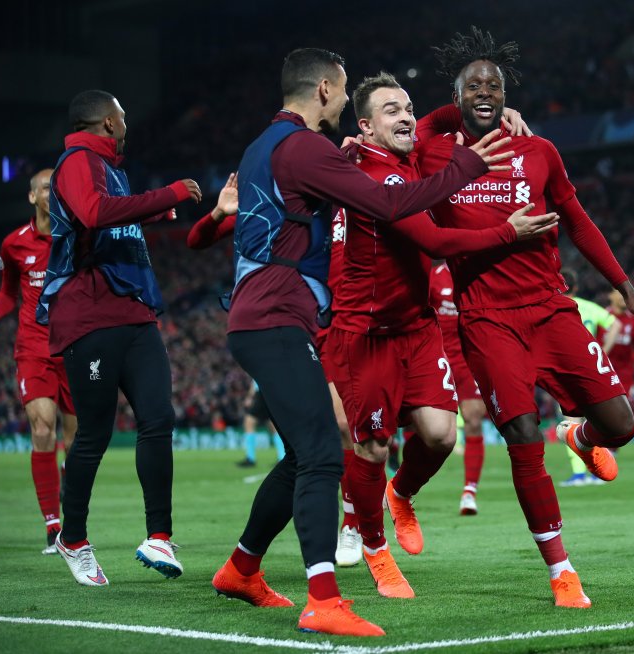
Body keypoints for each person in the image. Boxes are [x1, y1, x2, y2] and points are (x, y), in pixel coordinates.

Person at [209, 48, 513, 637]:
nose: (346, 102)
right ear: (325, 90)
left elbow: (428, 127)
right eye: (346, 92)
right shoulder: (308, 149)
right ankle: (326, 595)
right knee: (328, 453)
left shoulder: (268, 146)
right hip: (297, 318)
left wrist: (492, 112)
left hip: (292, 313)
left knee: (311, 454)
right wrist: (470, 169)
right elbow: (390, 203)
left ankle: (241, 569)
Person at [416, 27, 634, 609]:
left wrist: (626, 289)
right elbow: (420, 127)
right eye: (473, 86)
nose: (485, 92)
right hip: (487, 318)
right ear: (456, 96)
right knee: (523, 437)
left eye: (494, 86)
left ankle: (579, 433)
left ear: (508, 95)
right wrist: (457, 108)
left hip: (551, 308)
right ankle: (561, 571)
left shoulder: (539, 151)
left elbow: (579, 222)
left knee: (621, 425)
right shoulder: (438, 154)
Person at [326, 72, 557, 600]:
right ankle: (375, 548)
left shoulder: (410, 149)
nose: (407, 117)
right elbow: (432, 239)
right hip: (369, 331)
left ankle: (400, 492)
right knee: (371, 445)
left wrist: (501, 110)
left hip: (417, 324)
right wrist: (508, 231)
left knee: (440, 436)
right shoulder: (368, 175)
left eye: (408, 108)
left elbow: (446, 114)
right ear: (365, 127)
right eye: (392, 110)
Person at [38, 89, 202, 586]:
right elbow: (92, 213)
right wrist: (168, 195)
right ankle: (73, 539)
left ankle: (159, 536)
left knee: (158, 418)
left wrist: (151, 214)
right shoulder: (77, 161)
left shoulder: (111, 168)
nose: (127, 123)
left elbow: (109, 220)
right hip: (89, 314)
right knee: (94, 434)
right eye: (123, 116)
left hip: (134, 311)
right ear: (109, 122)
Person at [186, 169, 364, 569]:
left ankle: (249, 564)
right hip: (287, 331)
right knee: (322, 443)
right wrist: (218, 214)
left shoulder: (336, 202)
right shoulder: (265, 211)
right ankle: (330, 553)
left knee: (317, 447)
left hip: (332, 324)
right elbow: (196, 240)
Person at [0, 169, 78, 555]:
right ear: (32, 197)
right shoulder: (13, 244)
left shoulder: (78, 236)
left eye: (58, 187)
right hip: (33, 348)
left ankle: (69, 487)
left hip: (75, 348)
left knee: (76, 441)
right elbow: (7, 292)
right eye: (47, 188)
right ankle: (53, 526)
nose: (53, 193)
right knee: (43, 428)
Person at [429, 262, 487, 514]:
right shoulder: (434, 277)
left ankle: (469, 492)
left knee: (473, 418)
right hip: (437, 354)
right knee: (425, 427)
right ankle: (402, 487)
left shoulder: (475, 272)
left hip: (467, 358)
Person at [558, 268, 615, 487]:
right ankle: (597, 470)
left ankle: (579, 473)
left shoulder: (556, 306)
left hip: (567, 369)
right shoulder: (589, 307)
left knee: (571, 421)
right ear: (576, 287)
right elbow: (615, 325)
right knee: (594, 421)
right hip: (592, 369)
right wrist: (602, 352)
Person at [607, 288, 634, 397]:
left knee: (626, 405)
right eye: (620, 292)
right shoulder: (602, 316)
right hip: (603, 371)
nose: (623, 295)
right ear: (610, 295)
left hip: (625, 374)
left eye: (625, 293)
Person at [237, 382, 286, 467]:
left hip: (261, 393)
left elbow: (256, 380)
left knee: (249, 422)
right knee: (272, 425)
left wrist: (250, 397)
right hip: (269, 392)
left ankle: (250, 458)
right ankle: (282, 457)